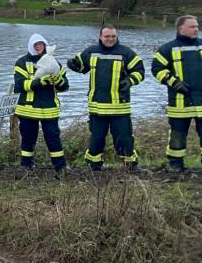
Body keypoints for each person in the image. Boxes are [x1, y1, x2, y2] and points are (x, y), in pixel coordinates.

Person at [67, 25, 145, 170]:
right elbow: (80, 66)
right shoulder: (91, 52)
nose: (110, 39)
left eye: (113, 36)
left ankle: (130, 165)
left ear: (117, 37)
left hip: (120, 107)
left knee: (124, 138)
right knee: (96, 139)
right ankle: (93, 166)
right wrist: (72, 65)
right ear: (100, 37)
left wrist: (129, 81)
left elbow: (140, 71)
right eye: (107, 36)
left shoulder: (126, 53)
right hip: (97, 107)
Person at [151, 15, 202, 172]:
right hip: (180, 101)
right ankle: (175, 165)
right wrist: (174, 82)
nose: (196, 29)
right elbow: (157, 69)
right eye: (192, 26)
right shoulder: (167, 49)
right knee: (177, 135)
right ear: (181, 29)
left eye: (197, 26)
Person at [13, 34, 69, 171]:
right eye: (36, 45)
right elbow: (19, 86)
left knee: (53, 138)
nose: (39, 47)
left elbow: (65, 86)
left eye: (41, 44)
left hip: (49, 108)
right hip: (28, 109)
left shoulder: (53, 62)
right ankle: (26, 165)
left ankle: (60, 167)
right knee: (28, 138)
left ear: (45, 45)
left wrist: (59, 81)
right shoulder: (22, 62)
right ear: (31, 46)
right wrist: (39, 82)